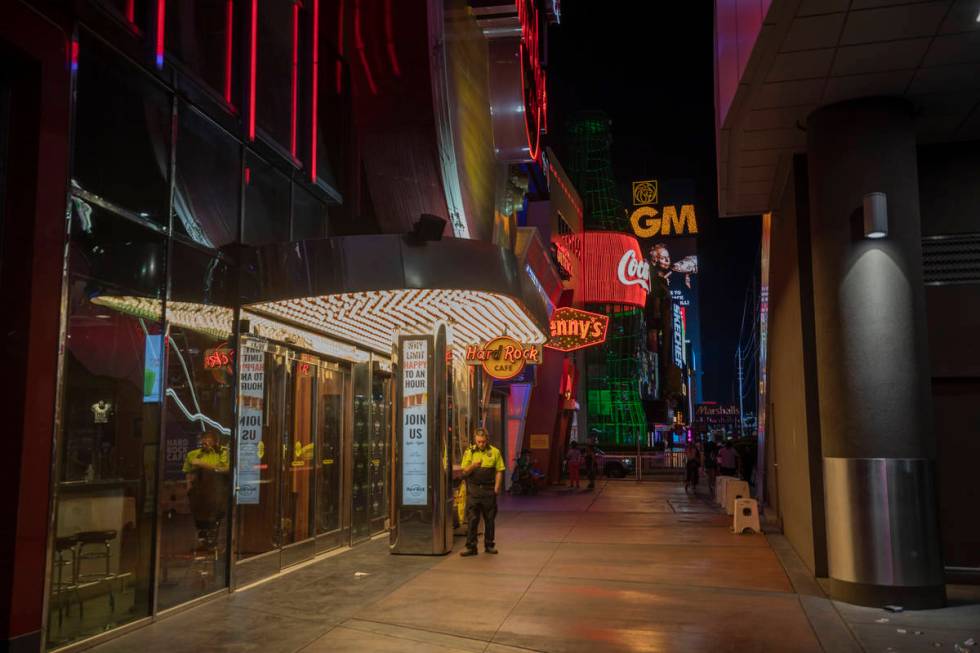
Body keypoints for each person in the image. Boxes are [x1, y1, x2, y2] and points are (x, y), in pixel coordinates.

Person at [460, 427, 506, 556]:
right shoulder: (469, 452)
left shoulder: (495, 452)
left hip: (489, 491)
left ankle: (489, 545)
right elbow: (464, 472)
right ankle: (471, 547)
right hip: (474, 491)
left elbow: (499, 471)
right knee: (472, 519)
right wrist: (473, 465)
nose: (481, 444)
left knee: (489, 520)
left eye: (483, 441)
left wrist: (497, 487)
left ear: (487, 440)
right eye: (479, 442)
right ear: (475, 440)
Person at [183, 432, 230, 550]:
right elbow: (188, 472)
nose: (205, 442)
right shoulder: (192, 454)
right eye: (203, 440)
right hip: (198, 492)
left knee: (216, 517)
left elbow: (225, 469)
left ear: (215, 441)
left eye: (208, 440)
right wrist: (188, 486)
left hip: (217, 490)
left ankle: (213, 540)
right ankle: (203, 540)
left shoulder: (223, 452)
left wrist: (202, 464)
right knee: (200, 518)